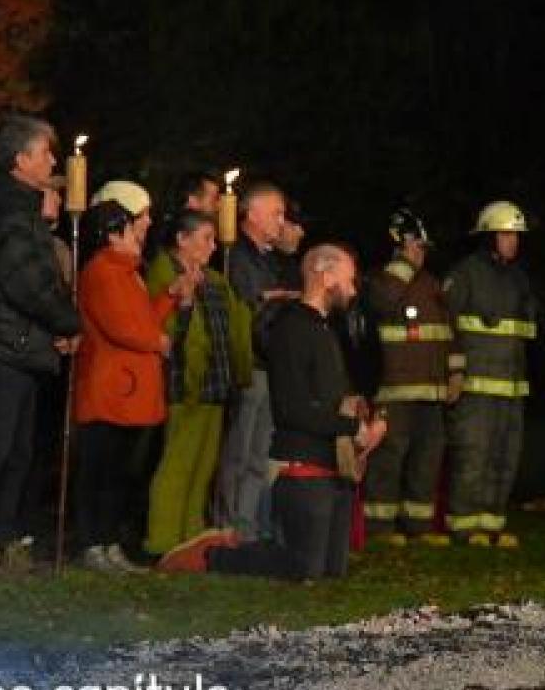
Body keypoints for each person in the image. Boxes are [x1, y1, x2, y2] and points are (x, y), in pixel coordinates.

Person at [158, 243, 387, 579]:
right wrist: (353, 428)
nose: (353, 290)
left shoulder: (326, 330)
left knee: (331, 570)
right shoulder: (292, 329)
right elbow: (293, 410)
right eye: (348, 279)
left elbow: (330, 397)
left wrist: (363, 423)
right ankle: (214, 555)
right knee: (302, 567)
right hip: (301, 464)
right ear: (324, 275)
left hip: (331, 468)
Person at [0, 114, 81, 575]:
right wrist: (69, 322)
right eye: (45, 152)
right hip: (0, 344)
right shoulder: (6, 210)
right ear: (21, 159)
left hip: (21, 346)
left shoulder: (22, 209)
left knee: (17, 453)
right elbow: (26, 281)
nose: (53, 161)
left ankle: (4, 535)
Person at [69, 200, 198, 571]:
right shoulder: (104, 271)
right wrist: (159, 342)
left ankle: (108, 543)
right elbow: (122, 326)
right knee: (101, 471)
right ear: (113, 235)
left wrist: (170, 295)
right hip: (110, 389)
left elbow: (140, 319)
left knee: (117, 473)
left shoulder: (126, 273)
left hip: (126, 388)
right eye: (130, 227)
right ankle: (94, 544)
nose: (138, 235)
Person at [143, 210, 252, 557]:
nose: (213, 246)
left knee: (203, 467)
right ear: (182, 239)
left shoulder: (216, 280)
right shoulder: (164, 275)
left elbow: (234, 328)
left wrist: (238, 372)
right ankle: (163, 540)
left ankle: (190, 539)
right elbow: (171, 329)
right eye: (206, 238)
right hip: (184, 386)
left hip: (213, 386)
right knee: (178, 464)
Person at [443, 200, 536, 548]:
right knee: (473, 455)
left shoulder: (519, 279)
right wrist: (455, 370)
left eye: (516, 236)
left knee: (505, 458)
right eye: (506, 235)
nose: (513, 242)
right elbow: (447, 325)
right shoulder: (466, 274)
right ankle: (464, 528)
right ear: (488, 237)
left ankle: (492, 525)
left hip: (511, 388)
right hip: (475, 387)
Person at [363, 208, 453, 546]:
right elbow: (382, 305)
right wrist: (404, 266)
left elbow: (450, 332)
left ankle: (418, 527)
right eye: (416, 245)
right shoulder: (382, 281)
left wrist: (455, 374)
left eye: (423, 248)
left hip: (432, 391)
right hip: (394, 390)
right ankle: (380, 528)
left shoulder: (431, 284)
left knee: (427, 460)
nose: (421, 253)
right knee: (389, 459)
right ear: (399, 244)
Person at [217, 181, 293, 540]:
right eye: (276, 213)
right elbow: (241, 308)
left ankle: (246, 526)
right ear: (252, 214)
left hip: (267, 362)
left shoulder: (267, 259)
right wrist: (267, 299)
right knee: (239, 450)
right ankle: (228, 525)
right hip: (250, 363)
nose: (282, 221)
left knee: (259, 454)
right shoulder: (236, 257)